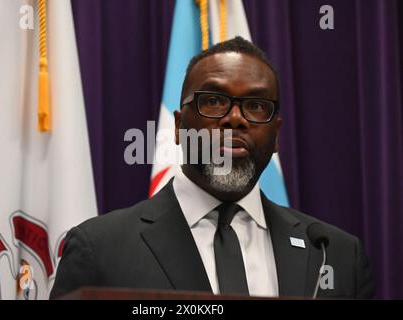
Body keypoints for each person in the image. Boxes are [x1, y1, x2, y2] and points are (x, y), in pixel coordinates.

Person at [50, 37, 375, 299]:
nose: (235, 118)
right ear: (179, 127)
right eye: (214, 101)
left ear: (276, 135)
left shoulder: (334, 255)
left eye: (256, 106)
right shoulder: (101, 250)